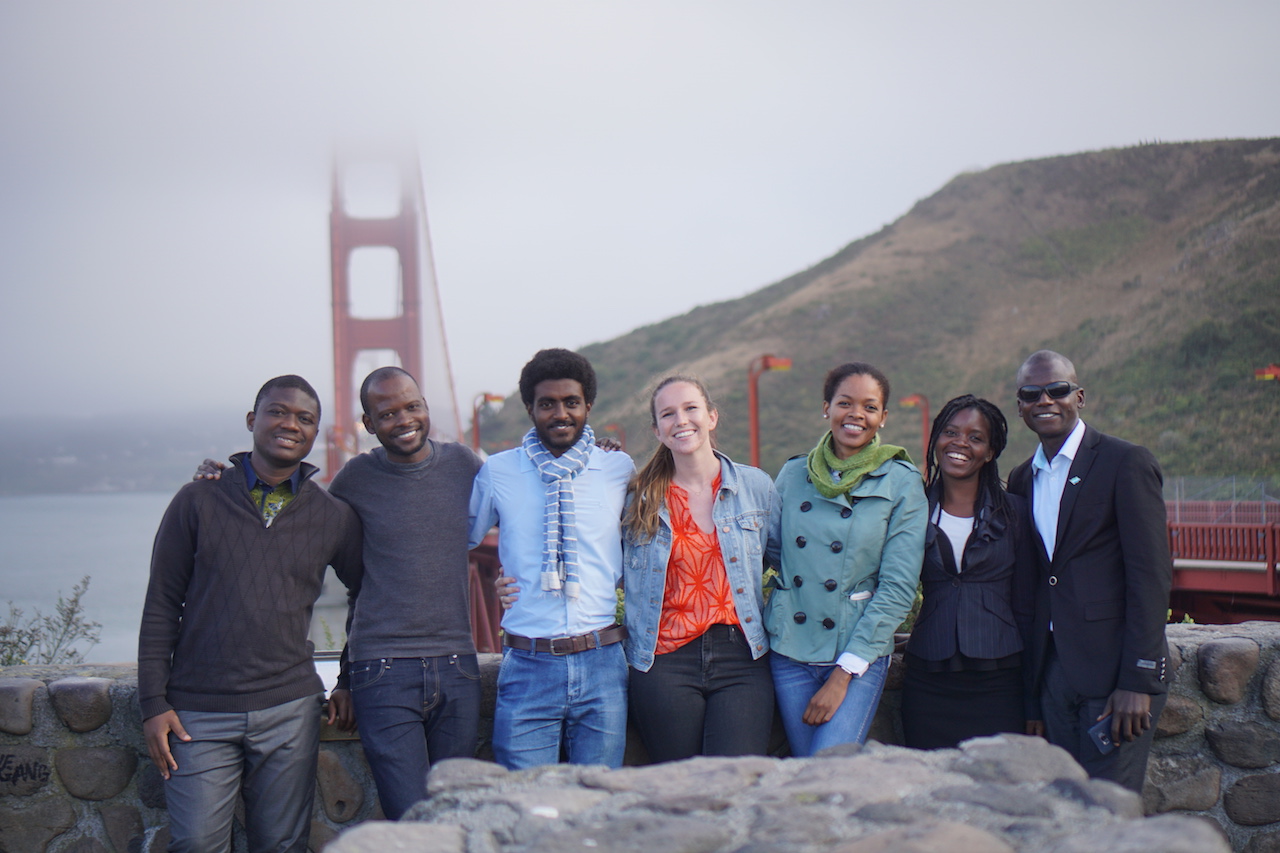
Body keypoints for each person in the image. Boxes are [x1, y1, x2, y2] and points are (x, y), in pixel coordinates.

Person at [194, 366, 483, 820]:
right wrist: (222, 481)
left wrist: (594, 454)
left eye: (412, 406)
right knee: (410, 818)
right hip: (383, 672)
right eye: (386, 413)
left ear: (426, 408)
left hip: (458, 666)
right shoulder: (354, 479)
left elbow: (525, 498)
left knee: (455, 815)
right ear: (368, 425)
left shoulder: (465, 465)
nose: (403, 419)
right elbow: (293, 518)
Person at [139, 375, 362, 853]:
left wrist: (346, 678)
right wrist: (153, 703)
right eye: (278, 411)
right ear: (251, 420)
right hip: (198, 712)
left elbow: (366, 595)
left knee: (282, 846)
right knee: (197, 844)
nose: (290, 424)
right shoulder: (197, 499)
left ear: (315, 433)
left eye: (305, 418)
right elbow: (161, 602)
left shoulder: (332, 516)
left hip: (289, 709)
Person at [1006, 350, 1171, 793]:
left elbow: (1150, 576)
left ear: (1079, 396)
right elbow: (1037, 584)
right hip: (1054, 675)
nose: (1046, 400)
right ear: (1019, 405)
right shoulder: (1022, 479)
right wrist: (1033, 694)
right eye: (1031, 393)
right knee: (1066, 805)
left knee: (1108, 808)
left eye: (1057, 390)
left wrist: (1138, 679)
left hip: (1116, 675)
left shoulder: (1125, 462)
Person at [468, 348, 635, 769]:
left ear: (588, 406)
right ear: (530, 409)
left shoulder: (617, 468)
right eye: (547, 404)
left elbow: (648, 544)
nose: (560, 413)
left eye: (571, 402)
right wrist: (494, 583)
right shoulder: (498, 472)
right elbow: (458, 543)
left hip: (602, 662)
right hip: (527, 665)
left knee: (596, 806)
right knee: (524, 806)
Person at [764, 362, 927, 756]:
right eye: (845, 403)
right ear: (826, 408)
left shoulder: (901, 481)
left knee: (828, 767)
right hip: (790, 647)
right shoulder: (792, 474)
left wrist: (843, 674)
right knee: (808, 770)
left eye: (869, 407)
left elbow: (898, 587)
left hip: (857, 652)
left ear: (883, 418)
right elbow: (767, 553)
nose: (856, 414)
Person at [620, 376, 782, 762]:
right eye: (668, 414)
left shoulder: (755, 487)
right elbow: (601, 565)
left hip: (741, 658)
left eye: (690, 408)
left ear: (711, 417)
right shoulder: (637, 499)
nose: (681, 420)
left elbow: (792, 566)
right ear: (657, 431)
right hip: (662, 662)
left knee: (737, 776)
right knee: (680, 784)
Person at [900, 395, 1036, 749]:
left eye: (975, 437)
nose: (960, 443)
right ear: (936, 440)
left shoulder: (1017, 513)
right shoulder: (910, 510)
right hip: (927, 681)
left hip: (1001, 682)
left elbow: (1027, 606)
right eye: (951, 432)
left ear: (990, 452)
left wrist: (1033, 697)